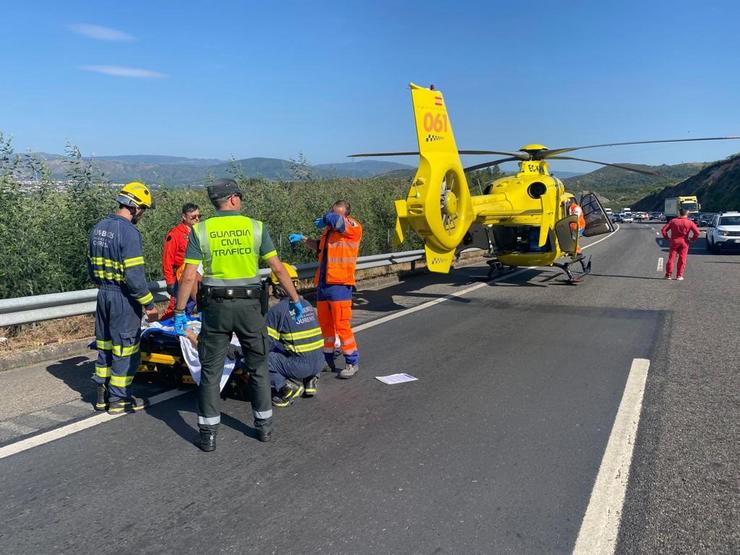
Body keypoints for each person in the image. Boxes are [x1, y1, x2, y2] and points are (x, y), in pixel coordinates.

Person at [174, 178, 303, 452]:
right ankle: (264, 428)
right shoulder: (255, 228)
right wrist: (295, 299)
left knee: (211, 370)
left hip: (215, 310)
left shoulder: (201, 230)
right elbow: (278, 269)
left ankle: (208, 435)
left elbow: (188, 277)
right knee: (257, 366)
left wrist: (178, 312)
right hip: (250, 309)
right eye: (239, 197)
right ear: (233, 199)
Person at [88, 182, 159, 414]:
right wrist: (148, 303)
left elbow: (90, 267)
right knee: (125, 348)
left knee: (105, 345)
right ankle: (119, 400)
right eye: (144, 209)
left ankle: (101, 395)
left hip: (103, 295)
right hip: (123, 298)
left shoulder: (98, 227)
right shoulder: (129, 232)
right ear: (136, 207)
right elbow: (134, 276)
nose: (143, 214)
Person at [289, 200, 363, 379]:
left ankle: (352, 362)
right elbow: (319, 247)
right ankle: (327, 360)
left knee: (342, 325)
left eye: (337, 213)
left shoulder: (352, 226)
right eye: (332, 212)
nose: (333, 216)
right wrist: (304, 239)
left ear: (346, 214)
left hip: (340, 284)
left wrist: (327, 217)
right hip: (323, 284)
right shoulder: (328, 231)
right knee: (326, 326)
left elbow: (336, 221)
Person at [265, 263, 324, 407]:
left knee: (261, 358)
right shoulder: (307, 304)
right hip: (319, 363)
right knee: (300, 345)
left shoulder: (277, 310)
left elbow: (266, 344)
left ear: (278, 286)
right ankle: (311, 381)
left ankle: (286, 388)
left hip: (300, 367)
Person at [161, 203, 200, 319]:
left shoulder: (198, 232)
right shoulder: (175, 234)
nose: (197, 219)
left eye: (199, 216)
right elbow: (167, 259)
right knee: (176, 309)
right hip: (181, 277)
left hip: (197, 276)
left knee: (195, 306)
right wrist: (170, 281)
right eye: (193, 217)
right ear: (184, 217)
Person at [661, 208, 700, 280]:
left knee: (671, 258)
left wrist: (667, 238)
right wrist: (692, 239)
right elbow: (697, 233)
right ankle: (679, 275)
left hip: (674, 241)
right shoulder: (689, 222)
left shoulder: (673, 221)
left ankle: (668, 275)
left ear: (679, 213)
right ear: (686, 214)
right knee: (682, 259)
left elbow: (663, 230)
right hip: (684, 242)